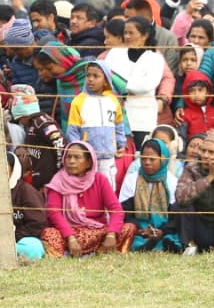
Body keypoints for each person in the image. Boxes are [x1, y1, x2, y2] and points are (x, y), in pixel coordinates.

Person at [41, 141, 136, 258]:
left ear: (89, 162)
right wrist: (70, 237)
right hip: (69, 233)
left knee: (128, 228)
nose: (71, 161)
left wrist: (111, 235)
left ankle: (101, 252)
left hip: (98, 231)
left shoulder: (100, 180)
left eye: (77, 157)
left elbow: (116, 209)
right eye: (68, 157)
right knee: (49, 233)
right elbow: (54, 213)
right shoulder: (58, 181)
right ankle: (70, 254)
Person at [104, 17, 166, 148]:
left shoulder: (155, 58)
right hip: (114, 116)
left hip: (142, 119)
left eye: (131, 33)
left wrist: (121, 83)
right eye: (125, 33)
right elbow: (105, 77)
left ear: (145, 35)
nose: (127, 36)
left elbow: (146, 85)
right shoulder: (115, 53)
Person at [65, 61, 127, 183]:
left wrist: (121, 144)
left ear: (106, 81)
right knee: (88, 188)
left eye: (96, 76)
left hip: (108, 156)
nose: (90, 79)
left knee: (107, 187)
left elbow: (119, 125)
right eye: (88, 75)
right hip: (87, 159)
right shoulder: (78, 101)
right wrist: (79, 152)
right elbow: (73, 131)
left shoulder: (113, 101)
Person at [119, 138, 180, 252]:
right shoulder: (132, 180)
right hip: (139, 228)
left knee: (172, 238)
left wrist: (162, 231)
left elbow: (176, 216)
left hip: (164, 229)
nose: (147, 162)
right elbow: (124, 211)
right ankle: (146, 243)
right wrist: (140, 229)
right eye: (143, 158)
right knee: (132, 237)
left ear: (162, 159)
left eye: (152, 159)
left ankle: (161, 240)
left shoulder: (172, 182)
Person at [11, 85, 65, 191]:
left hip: (52, 180)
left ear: (24, 115)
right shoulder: (32, 126)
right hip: (41, 178)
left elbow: (59, 142)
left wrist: (60, 168)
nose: (21, 122)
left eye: (20, 119)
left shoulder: (42, 123)